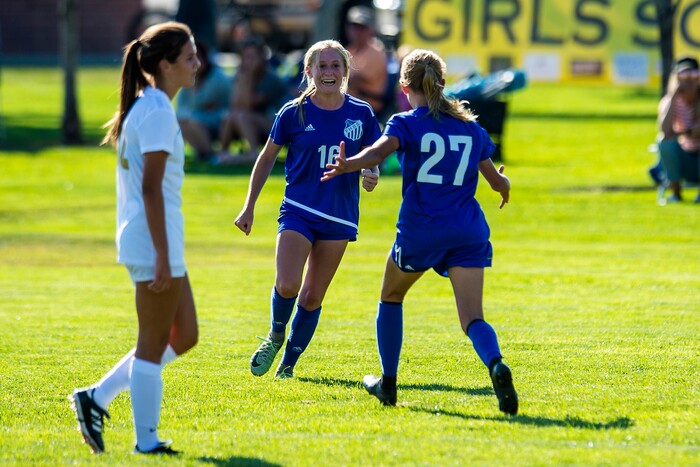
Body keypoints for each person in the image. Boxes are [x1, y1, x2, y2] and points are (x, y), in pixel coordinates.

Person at [322, 49, 518, 415]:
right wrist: (505, 185)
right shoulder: (470, 127)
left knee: (391, 297)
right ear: (443, 84)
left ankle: (389, 383)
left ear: (404, 85)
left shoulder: (406, 122)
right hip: (467, 231)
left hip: (421, 230)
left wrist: (349, 163)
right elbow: (495, 181)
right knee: (472, 318)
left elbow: (379, 152)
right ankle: (495, 363)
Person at [69, 22, 200, 455]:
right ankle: (146, 442)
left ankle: (97, 397)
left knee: (185, 336)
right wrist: (162, 256)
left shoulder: (148, 105)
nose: (197, 63)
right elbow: (150, 190)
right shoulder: (157, 110)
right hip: (152, 242)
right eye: (189, 57)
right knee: (152, 345)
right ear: (166, 64)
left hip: (154, 240)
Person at [234, 39, 381, 379]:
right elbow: (266, 157)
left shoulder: (360, 113)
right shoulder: (293, 113)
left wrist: (370, 174)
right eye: (322, 65)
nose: (329, 72)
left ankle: (288, 367)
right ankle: (274, 335)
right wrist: (249, 207)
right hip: (299, 209)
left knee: (312, 296)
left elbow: (373, 155)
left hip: (339, 215)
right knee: (287, 285)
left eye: (335, 66)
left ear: (345, 72)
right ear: (309, 71)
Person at [217, 37, 290, 166]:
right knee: (230, 116)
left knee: (241, 115)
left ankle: (253, 153)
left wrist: (247, 78)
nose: (248, 61)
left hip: (276, 125)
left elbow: (248, 104)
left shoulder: (271, 79)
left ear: (262, 58)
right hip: (253, 120)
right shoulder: (242, 76)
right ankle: (222, 154)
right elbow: (234, 104)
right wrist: (243, 79)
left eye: (252, 57)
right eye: (246, 57)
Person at [176, 40, 231, 162]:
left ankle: (210, 154)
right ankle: (201, 152)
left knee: (192, 120)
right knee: (182, 121)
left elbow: (229, 105)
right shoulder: (188, 79)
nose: (195, 63)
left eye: (198, 57)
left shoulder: (218, 78)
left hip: (220, 121)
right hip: (198, 119)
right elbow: (181, 107)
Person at [656, 56, 700, 204]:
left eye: (693, 75)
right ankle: (676, 194)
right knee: (664, 142)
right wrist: (674, 95)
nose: (689, 80)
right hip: (684, 158)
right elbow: (665, 130)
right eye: (683, 76)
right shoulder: (670, 101)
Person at [344, 6, 388, 118]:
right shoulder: (350, 50)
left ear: (370, 30)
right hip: (351, 104)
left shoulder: (376, 52)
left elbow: (356, 80)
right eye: (354, 26)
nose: (358, 31)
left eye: (362, 27)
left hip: (368, 108)